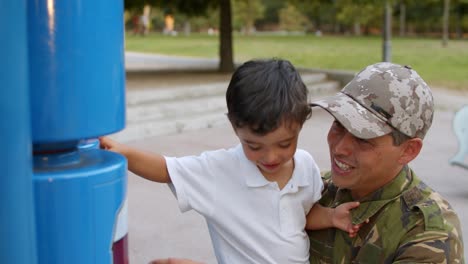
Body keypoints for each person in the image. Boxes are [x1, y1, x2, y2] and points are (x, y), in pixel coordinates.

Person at [100, 59, 362, 263]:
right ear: (234, 126)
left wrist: (330, 216)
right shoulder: (219, 170)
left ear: (302, 123)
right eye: (254, 145)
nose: (271, 157)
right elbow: (166, 169)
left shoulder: (305, 165)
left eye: (285, 144)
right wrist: (123, 153)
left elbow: (302, 215)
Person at [307, 62, 464, 263]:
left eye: (363, 138)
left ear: (408, 150)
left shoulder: (429, 234)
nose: (339, 148)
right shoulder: (313, 190)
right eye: (339, 124)